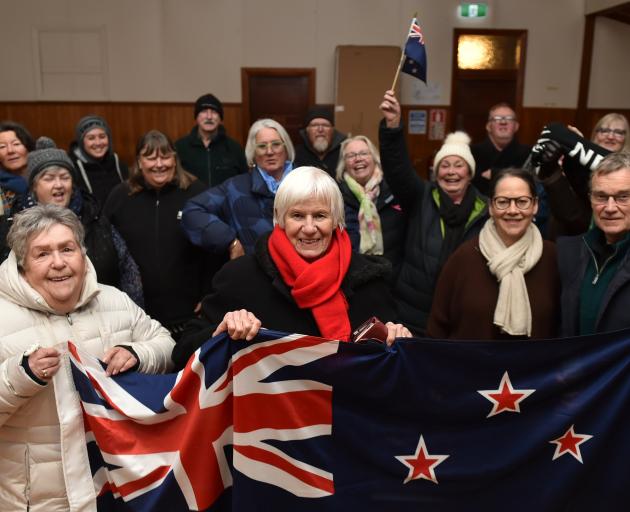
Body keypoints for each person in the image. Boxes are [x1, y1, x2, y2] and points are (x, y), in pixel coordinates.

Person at [0, 204, 174, 510]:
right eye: (42, 254)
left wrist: (137, 354)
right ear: (22, 264)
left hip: (118, 486)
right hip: (39, 500)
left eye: (67, 249)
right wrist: (21, 376)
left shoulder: (114, 299)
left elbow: (167, 346)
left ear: (83, 252)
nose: (58, 263)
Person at [172, 167, 411, 369]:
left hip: (344, 417)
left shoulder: (370, 280)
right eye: (297, 215)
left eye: (320, 216)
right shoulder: (240, 278)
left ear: (337, 219)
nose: (309, 228)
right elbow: (182, 352)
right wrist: (222, 329)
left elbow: (399, 362)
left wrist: (399, 338)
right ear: (280, 217)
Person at [379, 90, 488, 335]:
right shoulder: (421, 196)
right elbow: (397, 169)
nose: (451, 171)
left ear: (469, 173)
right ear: (435, 173)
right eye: (444, 165)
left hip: (463, 315)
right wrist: (393, 126)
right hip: (413, 312)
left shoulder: (487, 210)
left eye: (459, 165)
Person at [427, 168, 560, 339]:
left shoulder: (552, 258)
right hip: (472, 365)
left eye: (522, 201)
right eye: (503, 201)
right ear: (490, 207)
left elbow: (561, 328)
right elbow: (437, 330)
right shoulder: (463, 258)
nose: (512, 210)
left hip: (536, 365)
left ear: (535, 206)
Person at [9, 137, 143, 305]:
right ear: (34, 187)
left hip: (104, 313)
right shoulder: (14, 226)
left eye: (65, 177)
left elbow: (128, 270)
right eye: (49, 178)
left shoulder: (94, 215)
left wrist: (132, 312)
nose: (59, 185)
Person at [103, 130, 210, 339]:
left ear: (175, 159)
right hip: (137, 316)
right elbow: (107, 252)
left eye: (165, 156)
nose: (159, 164)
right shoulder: (120, 197)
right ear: (139, 162)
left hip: (190, 314)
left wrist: (209, 293)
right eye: (151, 158)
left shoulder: (197, 193)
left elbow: (214, 251)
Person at [182, 118, 295, 258]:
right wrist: (229, 241)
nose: (269, 151)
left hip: (306, 274)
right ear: (253, 153)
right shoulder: (235, 188)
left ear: (286, 147)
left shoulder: (309, 182)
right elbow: (192, 211)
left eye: (276, 144)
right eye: (262, 146)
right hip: (257, 275)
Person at [557, 151, 630, 336]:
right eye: (601, 197)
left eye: (623, 197)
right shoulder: (569, 253)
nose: (610, 208)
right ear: (590, 199)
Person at [537, 113, 629, 238]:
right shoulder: (575, 165)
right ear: (595, 134)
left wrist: (575, 144)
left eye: (619, 132)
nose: (610, 136)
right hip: (574, 238)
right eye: (604, 130)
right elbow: (571, 213)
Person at [336, 135, 406, 282]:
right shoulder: (336, 197)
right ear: (344, 164)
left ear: (374, 158)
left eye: (363, 153)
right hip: (353, 280)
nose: (358, 159)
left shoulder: (394, 189)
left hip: (394, 277)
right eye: (351, 155)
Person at [175, 93, 248, 186]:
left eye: (214, 112)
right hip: (192, 200)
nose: (209, 117)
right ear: (196, 117)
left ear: (220, 118)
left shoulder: (234, 148)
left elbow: (244, 180)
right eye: (204, 111)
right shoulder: (181, 147)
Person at [68, 115, 129, 210]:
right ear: (81, 142)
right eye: (91, 138)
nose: (98, 143)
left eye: (102, 136)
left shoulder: (120, 166)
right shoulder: (72, 170)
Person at [470, 103, 531, 197]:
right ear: (488, 126)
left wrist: (494, 173)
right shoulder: (472, 153)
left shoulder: (529, 153)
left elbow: (531, 181)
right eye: (497, 118)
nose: (503, 122)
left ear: (516, 126)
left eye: (509, 118)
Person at [294, 106, 347, 177]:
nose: (320, 129)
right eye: (315, 125)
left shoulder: (344, 153)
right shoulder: (296, 155)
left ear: (332, 130)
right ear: (307, 130)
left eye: (325, 125)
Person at [0, 121, 35, 214]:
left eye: (16, 144)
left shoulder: (45, 180)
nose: (10, 151)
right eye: (2, 146)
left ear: (28, 147)